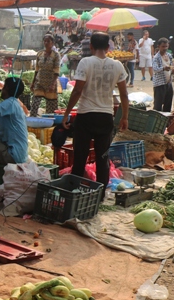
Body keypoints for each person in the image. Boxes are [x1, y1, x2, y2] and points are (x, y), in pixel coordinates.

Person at [65, 31, 129, 192]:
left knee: (80, 157)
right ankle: (99, 195)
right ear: (108, 47)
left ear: (91, 46)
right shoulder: (117, 65)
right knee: (102, 159)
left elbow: (77, 90)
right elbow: (124, 94)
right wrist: (125, 117)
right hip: (105, 117)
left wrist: (66, 113)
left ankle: (75, 191)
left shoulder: (85, 62)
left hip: (85, 115)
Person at [29, 33, 61, 116]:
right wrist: (33, 82)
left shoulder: (56, 55)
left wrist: (53, 84)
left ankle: (50, 121)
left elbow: (57, 71)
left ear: (52, 43)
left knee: (51, 106)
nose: (46, 43)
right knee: (35, 103)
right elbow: (36, 69)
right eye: (45, 41)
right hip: (39, 81)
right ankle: (32, 119)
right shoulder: (40, 54)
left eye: (48, 41)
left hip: (50, 82)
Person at [151, 38, 174, 112]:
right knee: (158, 105)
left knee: (168, 105)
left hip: (168, 83)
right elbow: (155, 69)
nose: (165, 48)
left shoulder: (169, 56)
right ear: (158, 46)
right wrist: (164, 68)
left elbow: (172, 67)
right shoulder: (156, 57)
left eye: (166, 46)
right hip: (159, 84)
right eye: (163, 46)